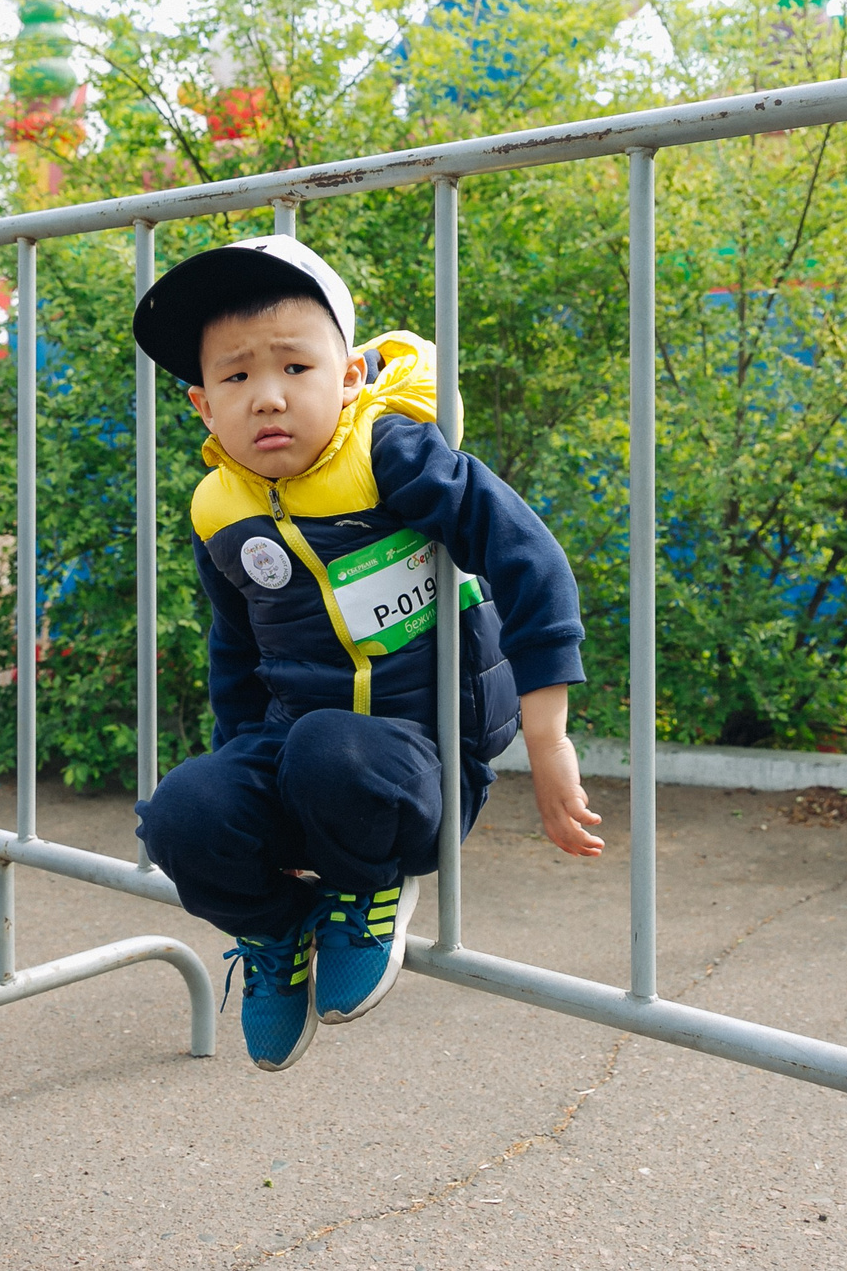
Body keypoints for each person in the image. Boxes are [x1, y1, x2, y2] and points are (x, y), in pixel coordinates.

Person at [129, 236, 594, 1070]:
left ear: (347, 379)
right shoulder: (218, 508)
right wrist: (244, 794)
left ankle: (369, 886)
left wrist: (548, 738)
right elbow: (233, 650)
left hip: (416, 759)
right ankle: (280, 928)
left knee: (328, 746)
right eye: (236, 377)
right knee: (180, 809)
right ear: (203, 406)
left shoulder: (387, 452)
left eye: (295, 368)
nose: (266, 397)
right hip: (299, 744)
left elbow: (530, 558)